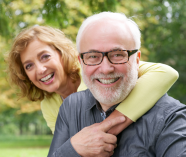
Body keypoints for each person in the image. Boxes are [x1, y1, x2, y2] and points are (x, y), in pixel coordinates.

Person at [48, 12, 186, 157]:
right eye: (93, 56)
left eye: (118, 54)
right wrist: (72, 149)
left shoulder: (172, 119)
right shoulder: (71, 106)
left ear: (137, 59)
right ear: (81, 62)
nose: (106, 69)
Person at [6, 24, 178, 136]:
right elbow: (67, 147)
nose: (40, 70)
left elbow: (166, 72)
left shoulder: (95, 69)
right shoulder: (49, 105)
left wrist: (113, 123)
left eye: (45, 57)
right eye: (29, 66)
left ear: (62, 53)